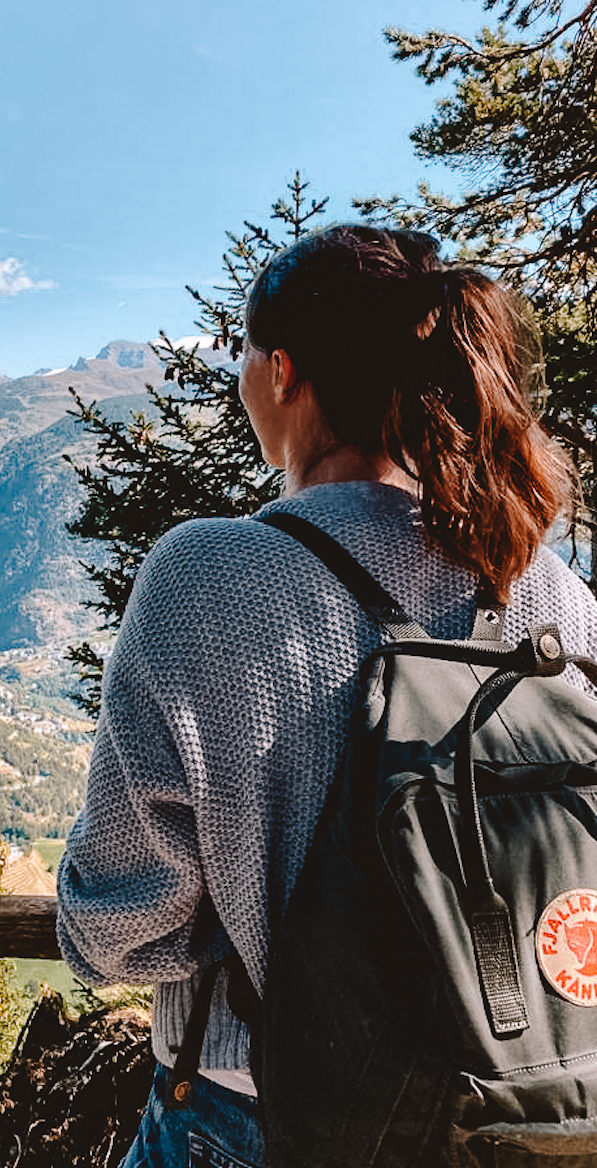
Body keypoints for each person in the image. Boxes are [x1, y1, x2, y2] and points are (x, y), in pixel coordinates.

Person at [56, 224, 597, 1168]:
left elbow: (114, 929)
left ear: (284, 372)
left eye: (245, 355)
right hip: (520, 1114)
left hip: (262, 1121)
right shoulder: (543, 583)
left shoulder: (206, 574)